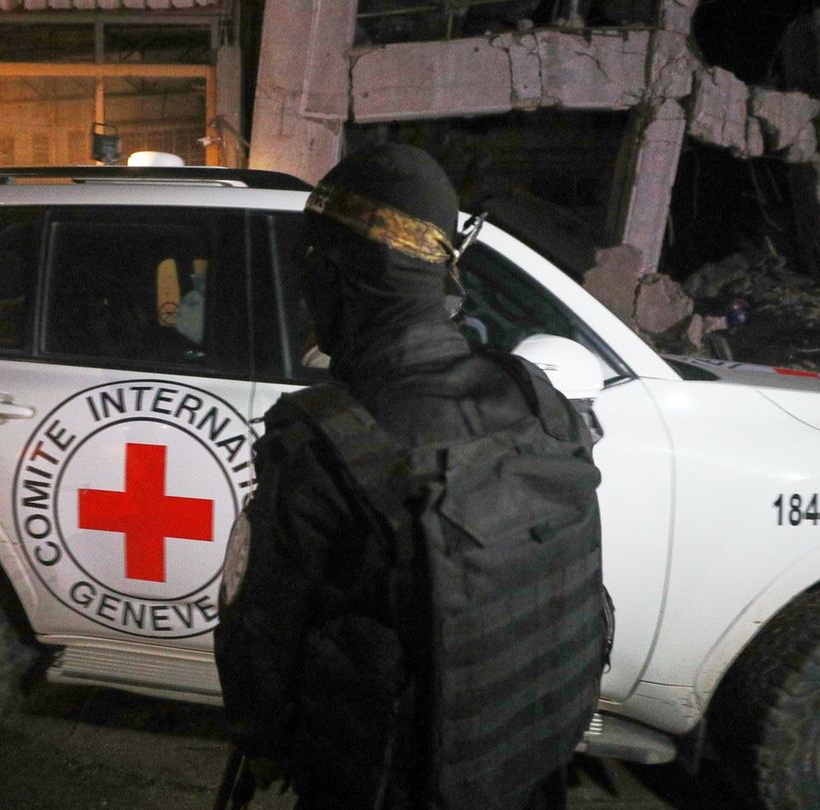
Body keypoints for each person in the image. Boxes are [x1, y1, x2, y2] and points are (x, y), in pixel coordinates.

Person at [214, 143, 606, 809]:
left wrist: (262, 738)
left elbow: (261, 643)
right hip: (526, 771)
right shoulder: (536, 397)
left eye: (311, 266)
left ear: (338, 276)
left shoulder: (322, 441)